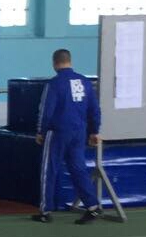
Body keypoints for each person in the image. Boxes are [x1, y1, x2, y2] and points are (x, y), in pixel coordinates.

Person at [33, 49, 102, 226]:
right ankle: (93, 206)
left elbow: (46, 110)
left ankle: (45, 210)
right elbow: (94, 109)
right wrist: (94, 131)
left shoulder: (54, 84)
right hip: (79, 131)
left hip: (58, 132)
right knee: (78, 168)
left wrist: (41, 131)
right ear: (70, 61)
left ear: (54, 63)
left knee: (49, 169)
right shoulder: (85, 82)